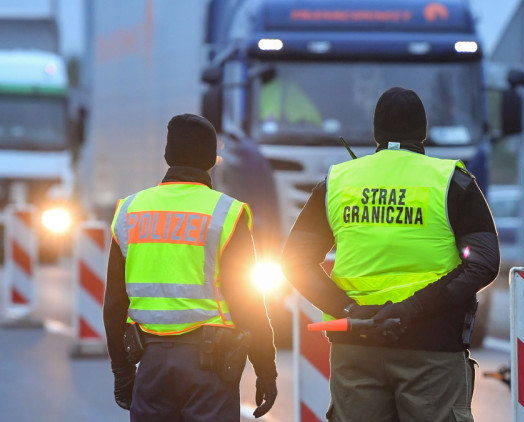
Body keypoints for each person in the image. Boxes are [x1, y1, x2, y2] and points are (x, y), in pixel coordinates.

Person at [282, 87, 500, 421]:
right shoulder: (451, 183)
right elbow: (483, 262)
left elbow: (295, 260)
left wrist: (349, 309)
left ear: (376, 132)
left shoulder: (337, 182)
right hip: (432, 349)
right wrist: (414, 308)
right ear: (423, 131)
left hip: (357, 346)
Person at [103, 114, 278, 421]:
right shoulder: (225, 213)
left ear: (167, 156)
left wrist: (122, 371)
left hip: (151, 363)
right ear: (212, 159)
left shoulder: (131, 211)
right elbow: (247, 303)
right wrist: (265, 370)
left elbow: (115, 303)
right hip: (209, 368)